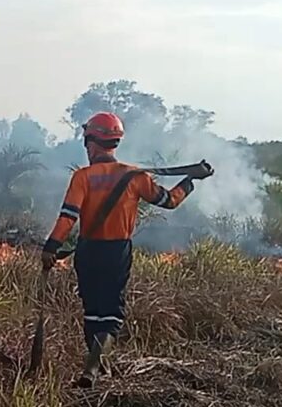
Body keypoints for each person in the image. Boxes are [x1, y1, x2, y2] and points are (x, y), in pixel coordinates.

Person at [40, 112, 213, 388]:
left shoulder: (82, 177)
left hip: (87, 252)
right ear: (115, 142)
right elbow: (169, 201)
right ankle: (95, 368)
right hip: (117, 252)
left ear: (91, 142)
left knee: (92, 311)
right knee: (111, 315)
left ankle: (95, 368)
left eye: (87, 142)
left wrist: (51, 247)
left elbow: (68, 217)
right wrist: (188, 182)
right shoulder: (135, 177)